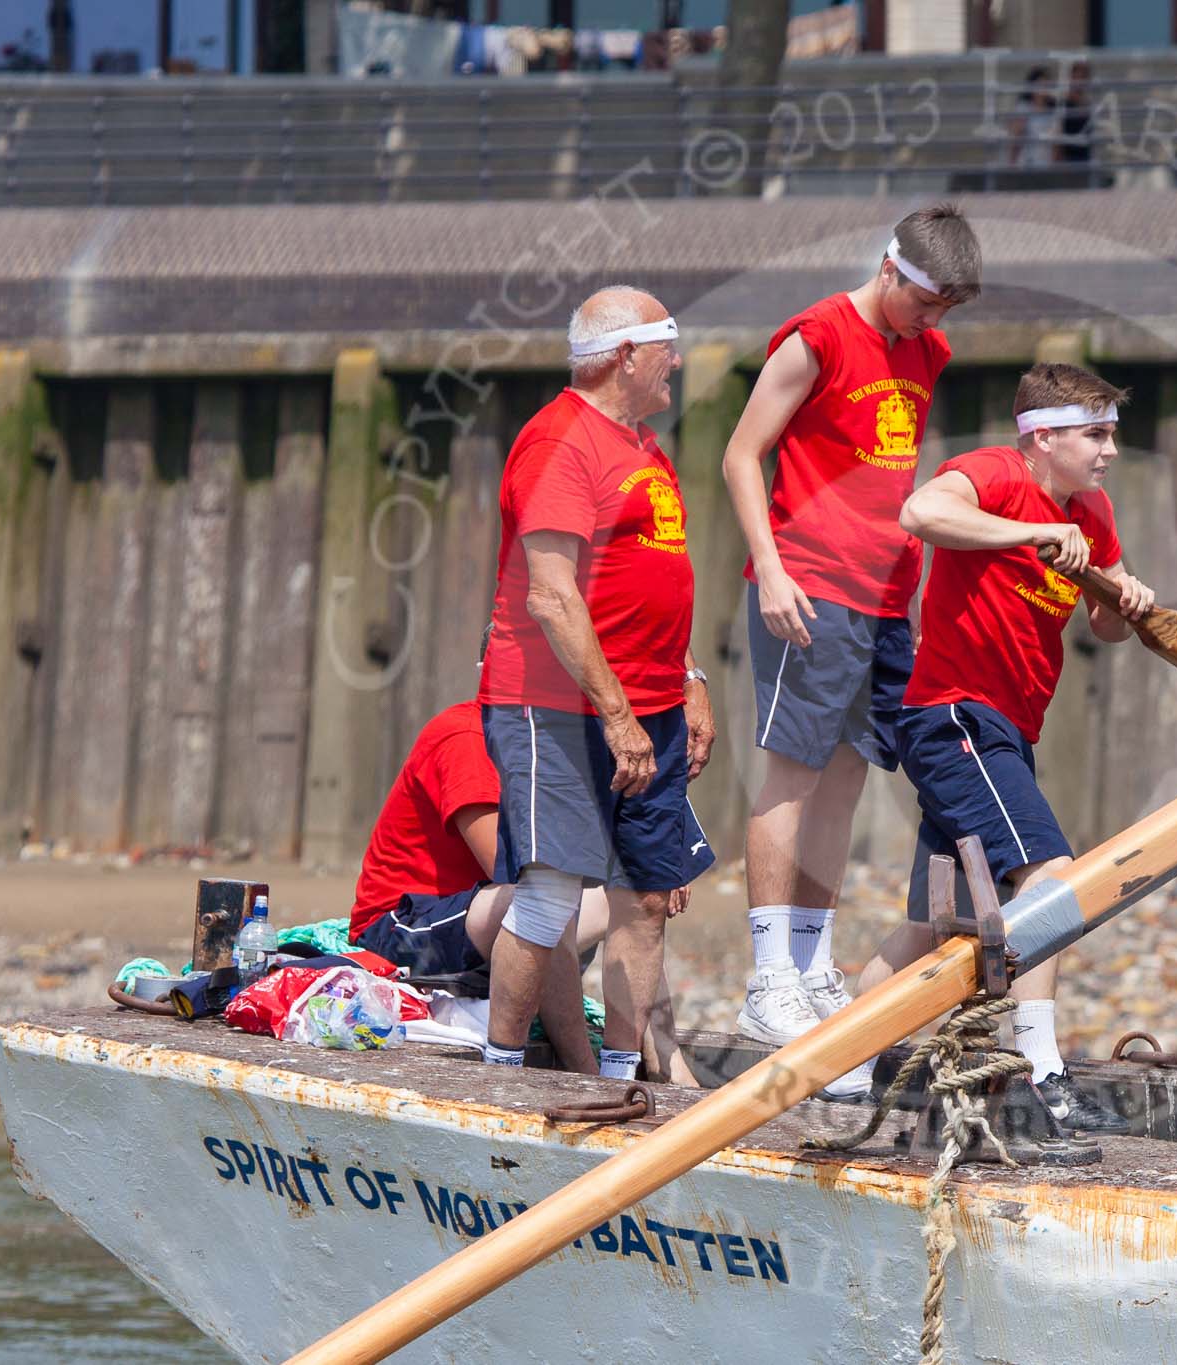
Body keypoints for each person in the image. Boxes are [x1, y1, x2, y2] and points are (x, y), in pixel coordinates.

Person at [850, 363, 1155, 1132]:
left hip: (1007, 733)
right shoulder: (994, 472)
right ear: (1042, 437)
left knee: (932, 918)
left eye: (1112, 434)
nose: (1109, 450)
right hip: (955, 716)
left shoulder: (1093, 511)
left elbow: (1107, 622)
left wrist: (1128, 595)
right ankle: (1036, 1071)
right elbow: (921, 512)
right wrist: (1035, 532)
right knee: (1054, 875)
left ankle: (841, 1062)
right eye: (1096, 434)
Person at [721, 203, 981, 1049]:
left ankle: (811, 962)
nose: (934, 322)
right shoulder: (817, 336)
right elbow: (740, 454)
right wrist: (771, 570)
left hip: (883, 597)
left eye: (947, 310)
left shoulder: (928, 351)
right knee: (791, 776)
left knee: (846, 783)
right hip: (808, 587)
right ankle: (767, 979)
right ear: (890, 270)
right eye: (927, 302)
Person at [477, 285, 717, 1083]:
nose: (675, 362)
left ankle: (620, 1081)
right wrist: (616, 713)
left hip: (650, 704)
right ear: (626, 357)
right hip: (558, 707)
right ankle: (497, 1074)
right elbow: (552, 594)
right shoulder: (559, 442)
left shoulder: (642, 443)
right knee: (549, 893)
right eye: (667, 348)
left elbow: (648, 580)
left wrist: (687, 679)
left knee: (648, 897)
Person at [348, 696, 699, 1083]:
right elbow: (509, 869)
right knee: (546, 896)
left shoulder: (565, 740)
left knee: (636, 900)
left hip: (483, 922)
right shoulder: (468, 735)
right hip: (399, 928)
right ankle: (585, 1075)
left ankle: (669, 1065)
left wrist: (647, 875)